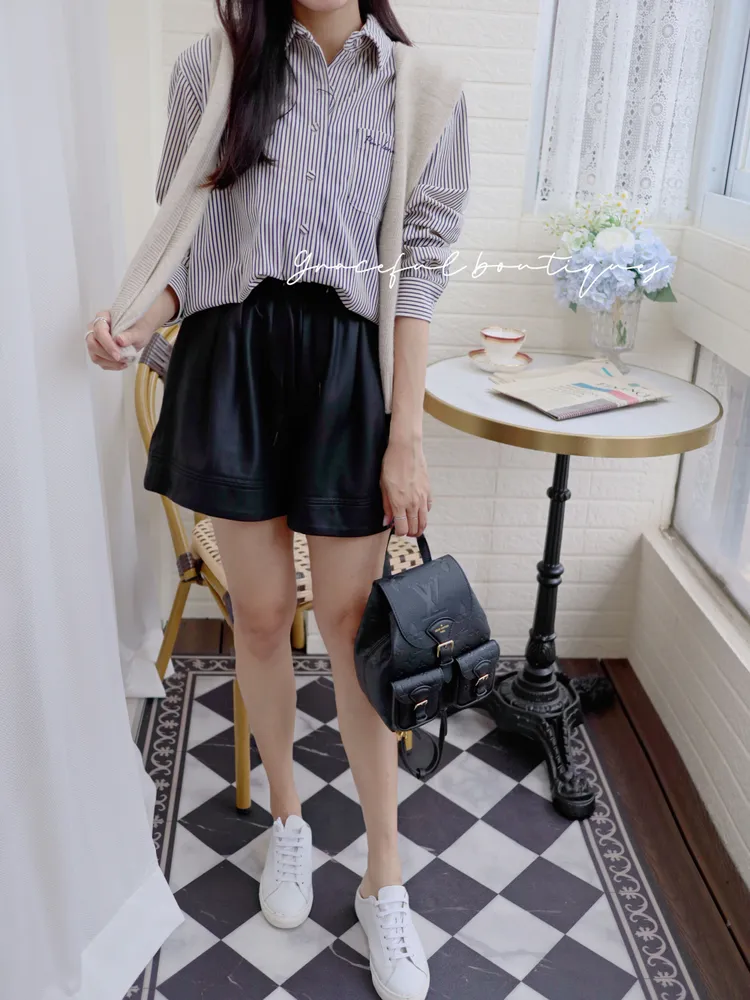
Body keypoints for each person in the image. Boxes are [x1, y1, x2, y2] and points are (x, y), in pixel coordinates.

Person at [86, 2, 470, 997]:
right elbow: (190, 242)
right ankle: (289, 822)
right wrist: (135, 320)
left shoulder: (421, 88)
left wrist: (406, 436)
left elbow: (419, 273)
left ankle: (385, 877)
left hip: (347, 370)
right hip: (233, 359)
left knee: (351, 629)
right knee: (258, 616)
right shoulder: (215, 66)